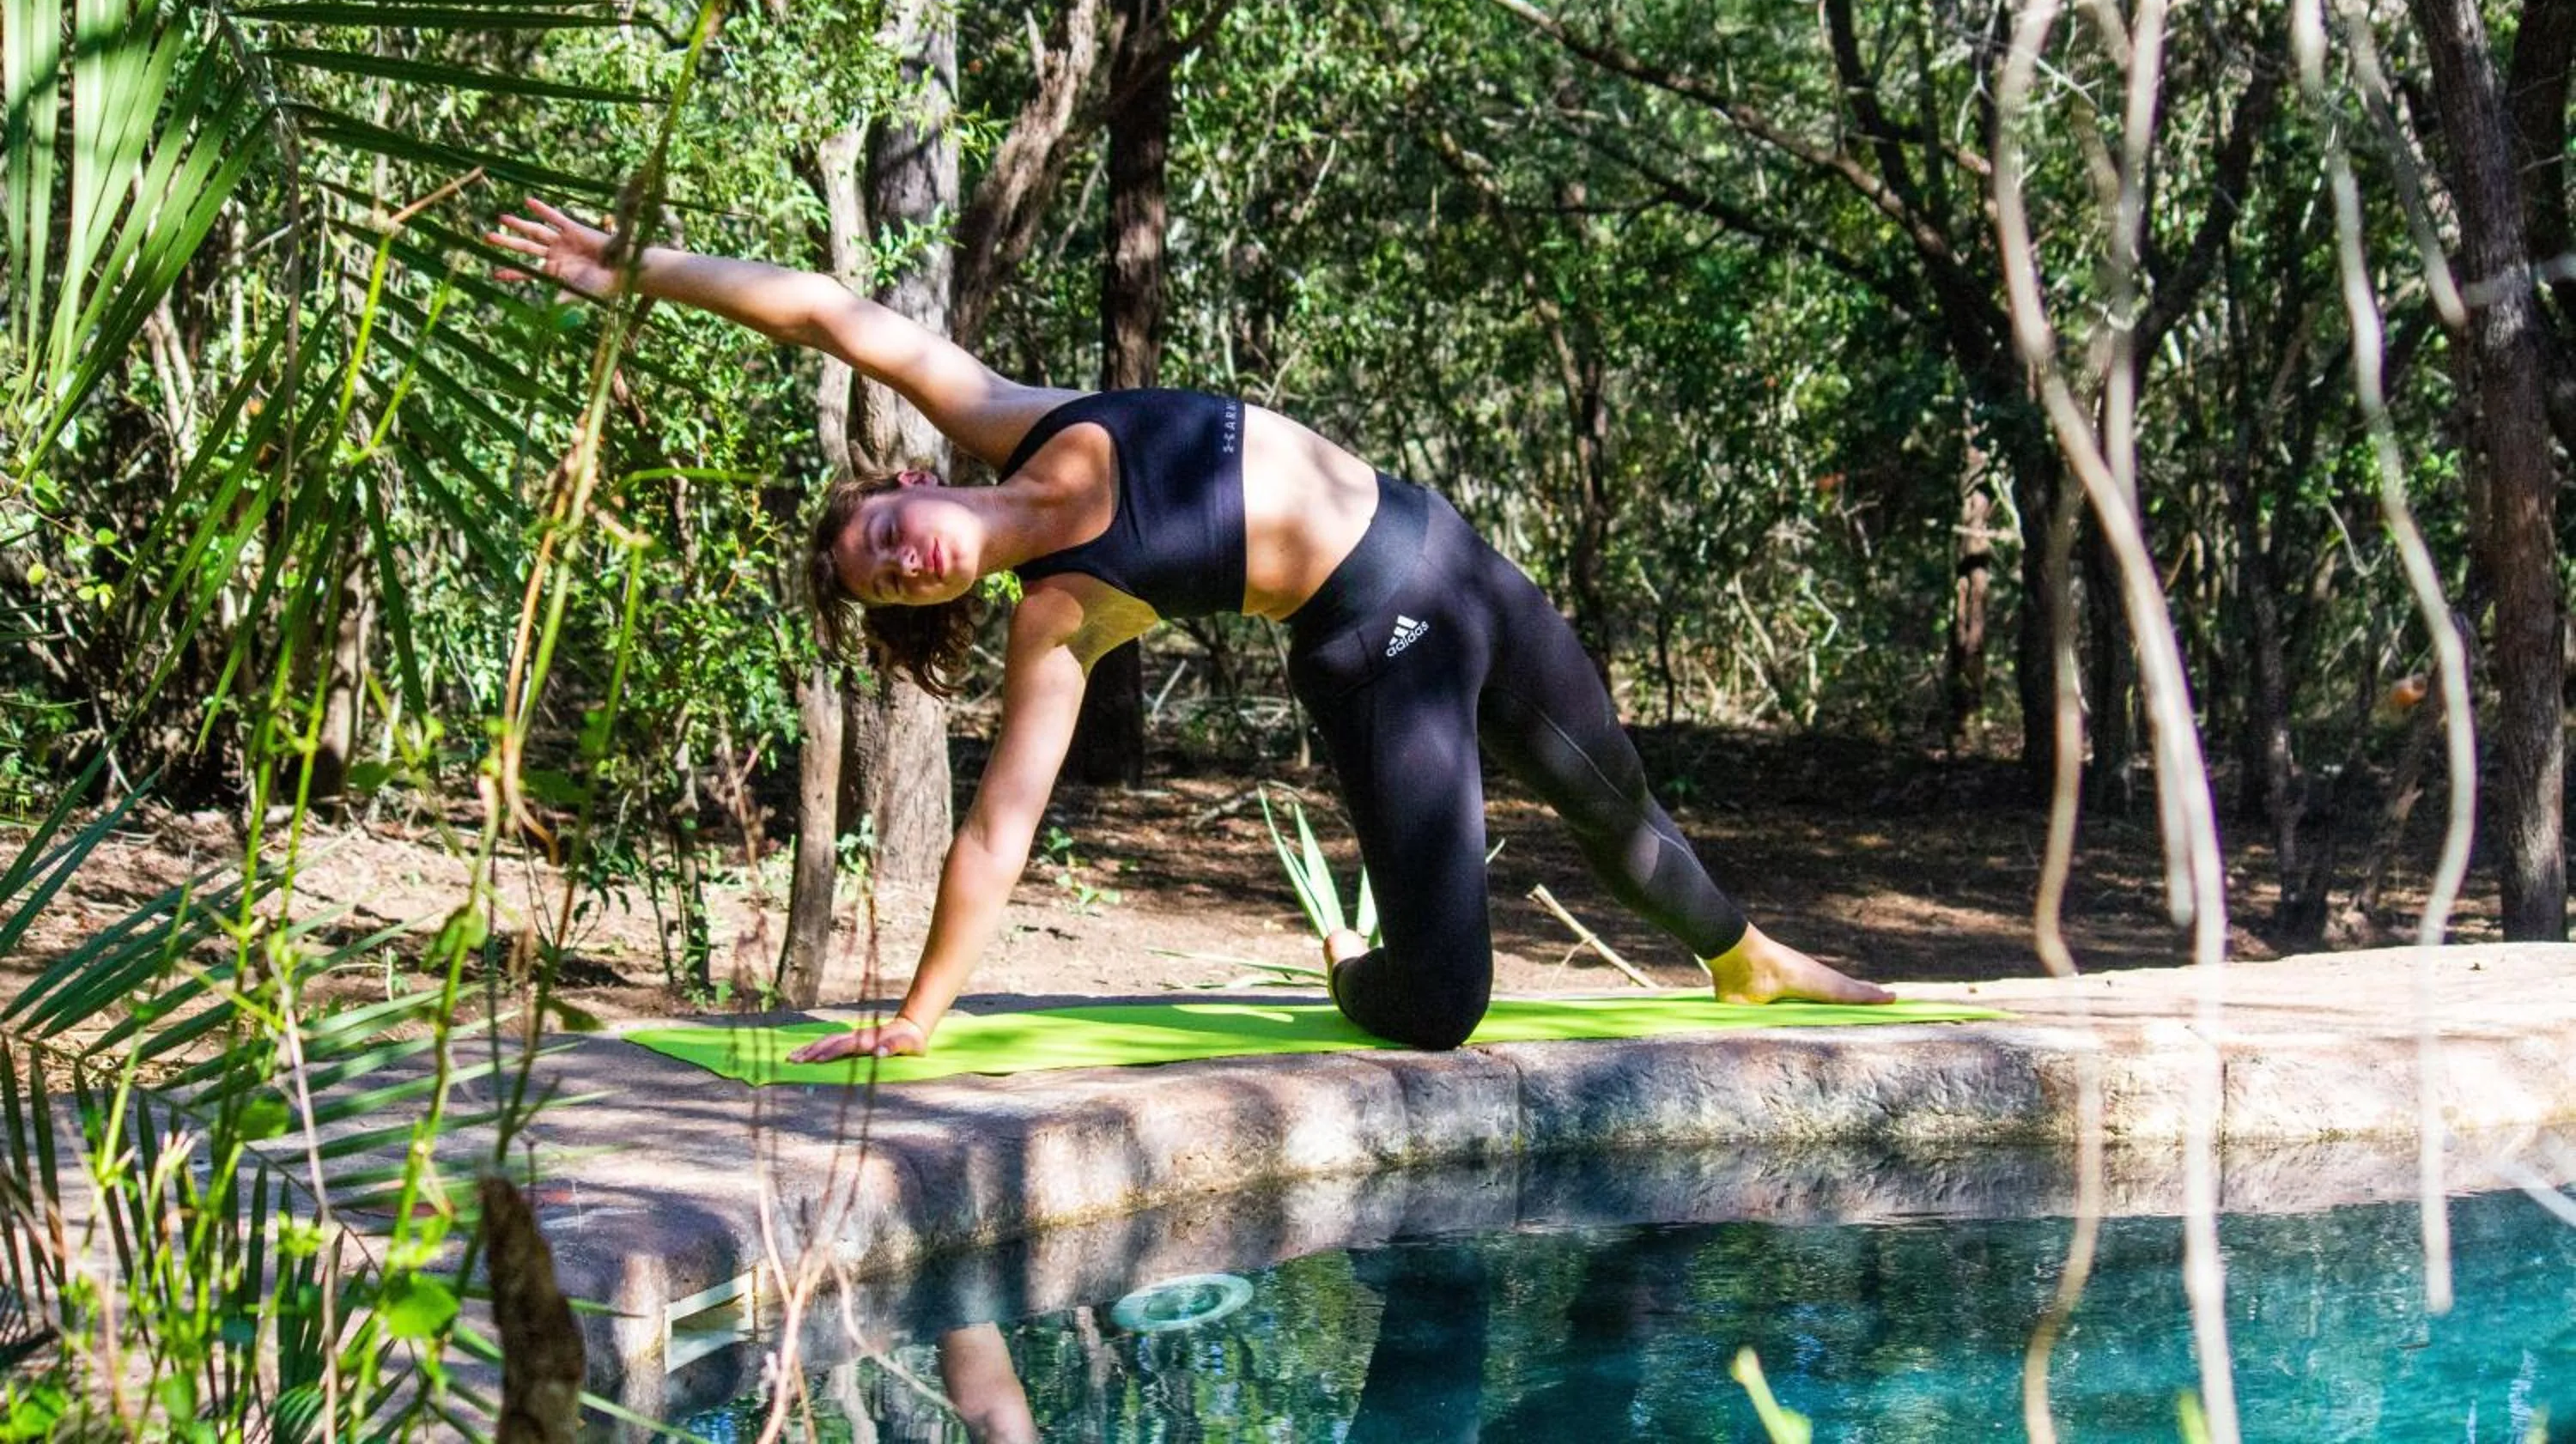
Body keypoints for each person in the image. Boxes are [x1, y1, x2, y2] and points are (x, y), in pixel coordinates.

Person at [484, 199, 1890, 1062]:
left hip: (1447, 550)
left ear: (910, 483)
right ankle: (1358, 971)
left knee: (1609, 796)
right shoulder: (1059, 622)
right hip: (1370, 645)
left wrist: (636, 271)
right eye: (893, 588)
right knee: (1443, 1007)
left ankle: (1744, 959)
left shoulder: (1000, 408)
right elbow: (995, 833)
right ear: (944, 599)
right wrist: (920, 1015)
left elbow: (829, 314)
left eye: (879, 539)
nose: (901, 562)